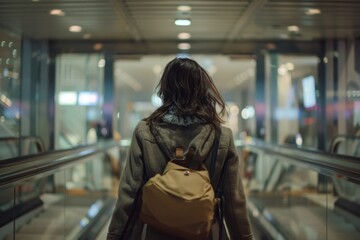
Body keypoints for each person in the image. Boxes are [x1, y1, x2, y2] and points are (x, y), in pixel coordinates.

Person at [107, 57, 253, 240]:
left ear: (165, 89)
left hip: (157, 232)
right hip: (206, 232)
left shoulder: (145, 131)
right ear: (203, 90)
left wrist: (115, 236)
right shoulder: (221, 136)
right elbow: (234, 202)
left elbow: (129, 195)